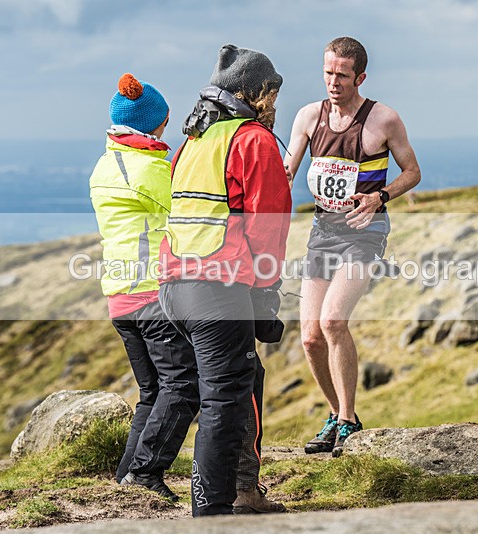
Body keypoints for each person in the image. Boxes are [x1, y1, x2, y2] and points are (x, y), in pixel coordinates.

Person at [158, 44, 292, 516]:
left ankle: (242, 492)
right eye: (272, 92)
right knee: (224, 400)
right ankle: (210, 511)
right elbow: (268, 226)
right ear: (255, 92)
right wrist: (266, 292)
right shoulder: (254, 140)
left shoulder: (193, 142)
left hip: (175, 287)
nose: (275, 103)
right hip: (219, 289)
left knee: (238, 381)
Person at [284, 37, 421, 457]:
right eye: (328, 72)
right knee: (309, 337)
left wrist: (380, 196)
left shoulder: (383, 119)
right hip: (323, 231)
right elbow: (286, 171)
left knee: (333, 321)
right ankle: (336, 416)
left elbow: (412, 172)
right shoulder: (309, 116)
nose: (333, 81)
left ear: (360, 76)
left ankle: (348, 419)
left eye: (342, 75)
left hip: (365, 230)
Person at [89, 73, 187, 501]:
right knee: (184, 384)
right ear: (157, 124)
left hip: (119, 298)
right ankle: (146, 474)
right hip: (151, 295)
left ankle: (127, 478)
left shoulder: (105, 164)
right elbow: (187, 213)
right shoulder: (149, 169)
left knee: (153, 390)